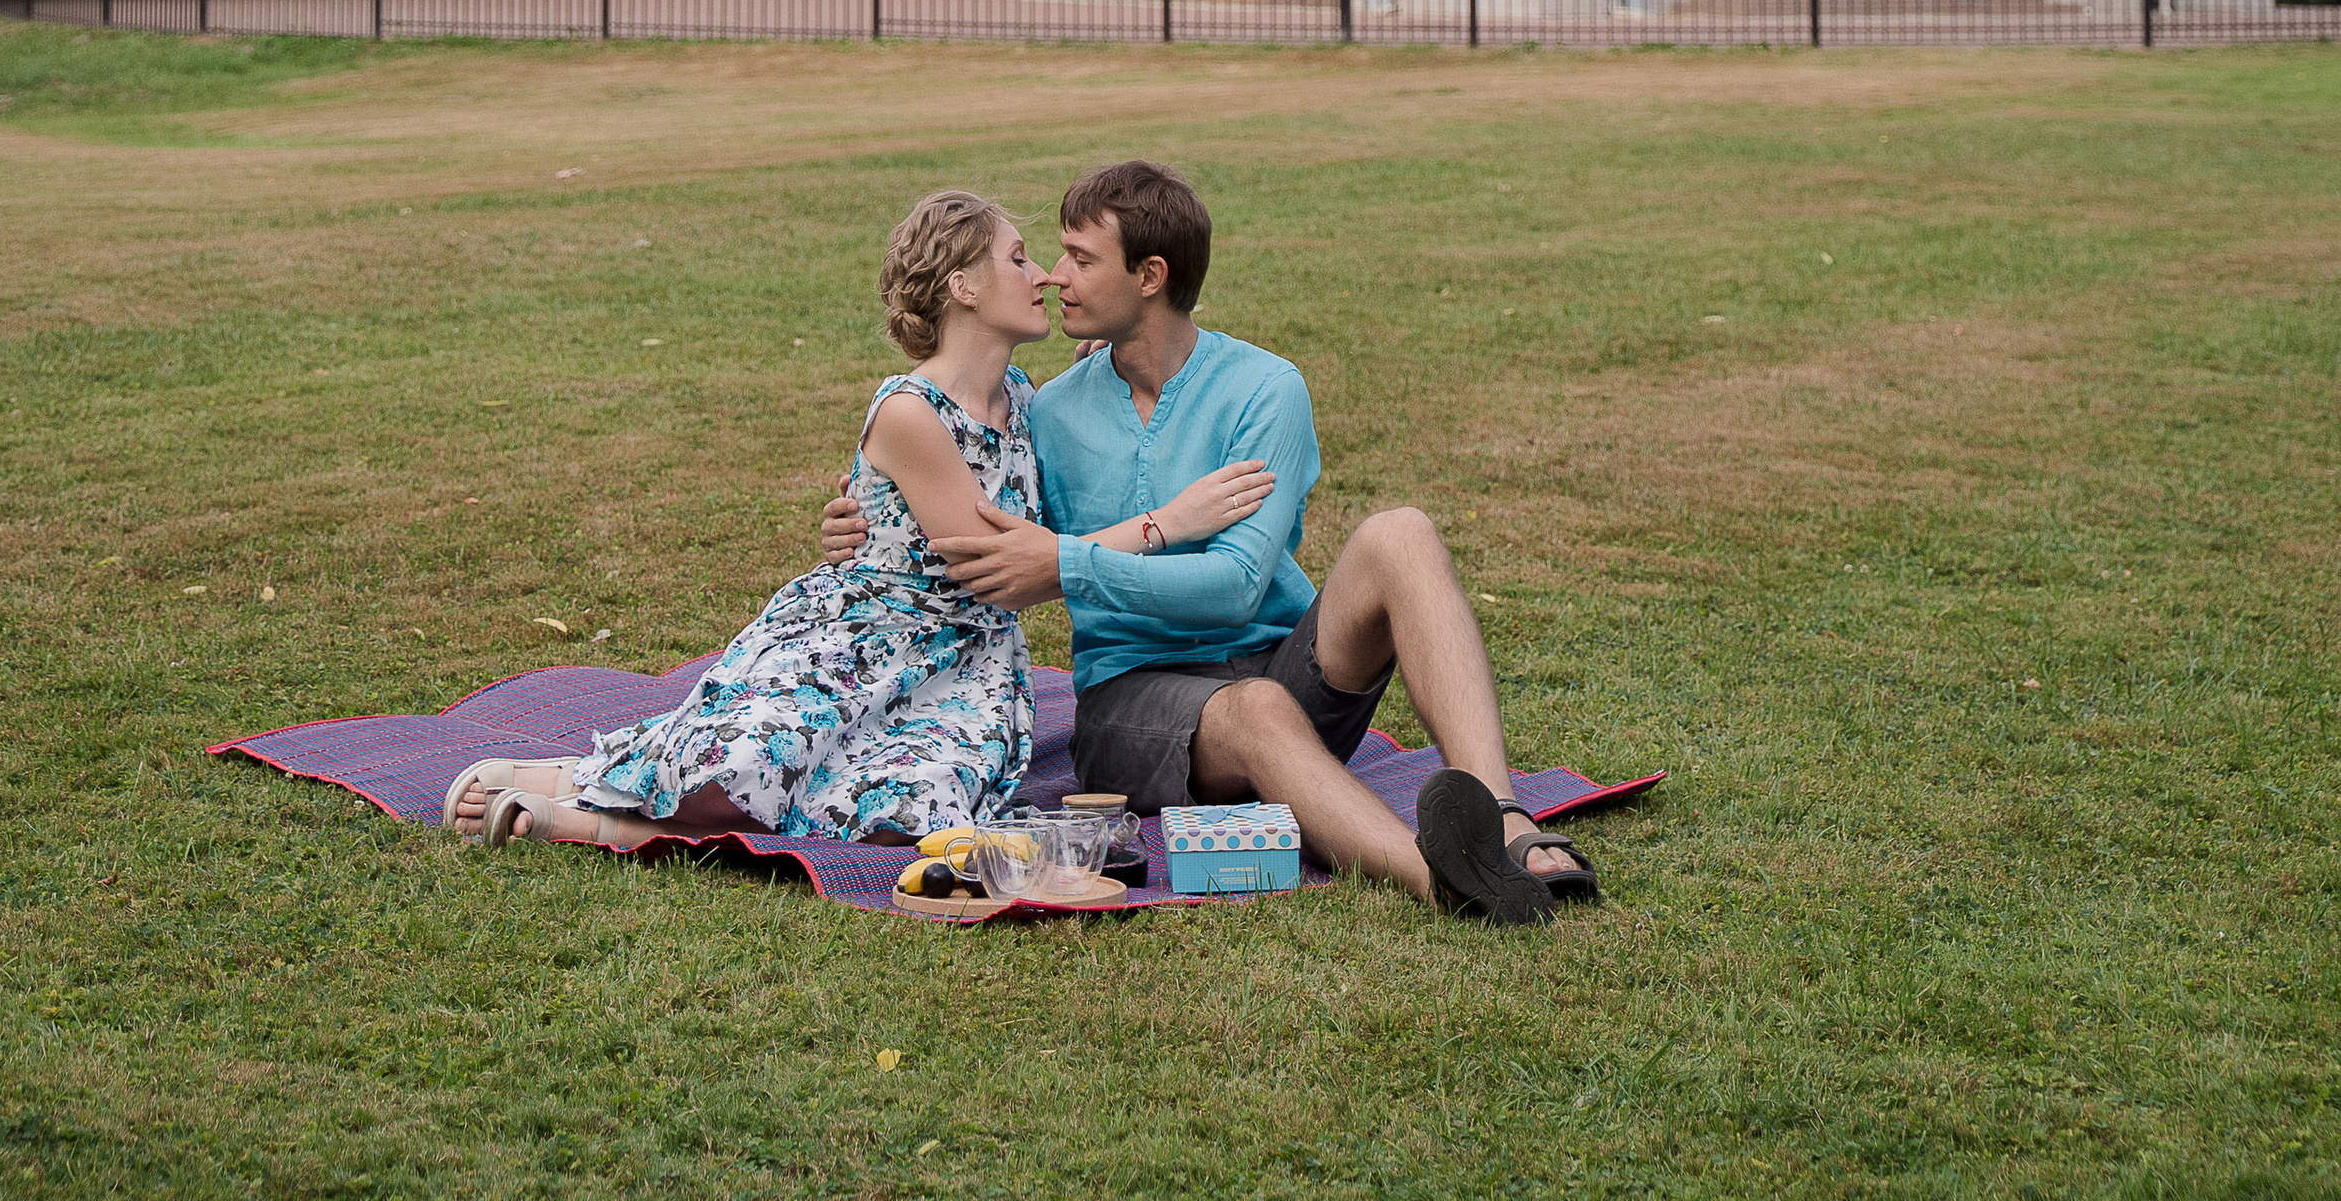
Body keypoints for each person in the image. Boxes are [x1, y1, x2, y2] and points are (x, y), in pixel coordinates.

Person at [821, 157, 1593, 923]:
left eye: (1082, 259)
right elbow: (967, 508)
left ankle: (1503, 820)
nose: (1056, 276)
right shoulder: (1048, 413)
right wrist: (858, 525)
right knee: (1253, 709)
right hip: (1134, 699)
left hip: (1281, 666)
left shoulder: (1266, 388)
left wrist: (1066, 560)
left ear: (1149, 275)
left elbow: (1235, 587)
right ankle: (1446, 882)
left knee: (1402, 533)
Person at [442, 186, 1271, 849]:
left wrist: (1110, 356)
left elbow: (1028, 534)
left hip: (965, 668)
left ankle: (595, 792)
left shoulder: (1024, 399)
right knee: (744, 773)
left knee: (913, 813)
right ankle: (561, 796)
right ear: (965, 287)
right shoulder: (911, 413)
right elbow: (999, 570)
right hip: (863, 642)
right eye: (1020, 258)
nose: (1046, 276)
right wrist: (1172, 520)